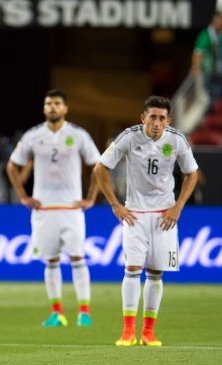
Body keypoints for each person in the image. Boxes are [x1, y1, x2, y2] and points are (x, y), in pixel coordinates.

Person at [94, 96, 199, 347]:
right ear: (143, 118)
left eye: (162, 118)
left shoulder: (176, 140)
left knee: (155, 274)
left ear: (168, 120)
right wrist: (115, 205)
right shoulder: (129, 137)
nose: (157, 122)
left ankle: (148, 332)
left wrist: (178, 207)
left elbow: (192, 173)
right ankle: (128, 331)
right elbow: (100, 168)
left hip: (165, 216)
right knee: (132, 270)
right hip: (135, 216)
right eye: (152, 117)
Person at [6, 89, 100, 328]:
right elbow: (11, 166)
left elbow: (98, 166)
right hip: (44, 209)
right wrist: (22, 196)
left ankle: (84, 312)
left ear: (65, 108)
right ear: (44, 108)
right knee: (51, 261)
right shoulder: (33, 135)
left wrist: (91, 197)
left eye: (57, 103)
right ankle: (57, 312)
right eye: (49, 103)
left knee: (78, 257)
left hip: (71, 208)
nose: (52, 107)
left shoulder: (78, 135)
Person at [191, 10, 222, 111]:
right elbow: (198, 53)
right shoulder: (206, 35)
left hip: (219, 73)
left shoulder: (220, 35)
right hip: (207, 73)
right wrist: (196, 68)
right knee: (209, 99)